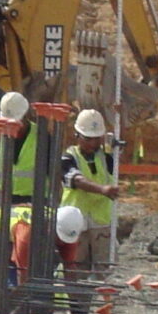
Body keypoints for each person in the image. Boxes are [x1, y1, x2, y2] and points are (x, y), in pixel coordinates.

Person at [62, 106, 120, 264]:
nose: (92, 143)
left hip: (101, 224)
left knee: (106, 271)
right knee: (76, 268)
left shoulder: (106, 158)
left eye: (96, 139)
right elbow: (77, 180)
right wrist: (102, 189)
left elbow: (117, 150)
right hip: (76, 224)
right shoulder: (68, 158)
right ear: (77, 135)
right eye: (87, 139)